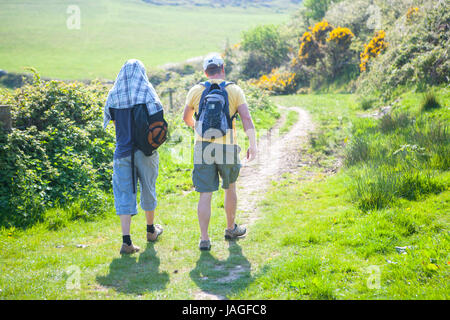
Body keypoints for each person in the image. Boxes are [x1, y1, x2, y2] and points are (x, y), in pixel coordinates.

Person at [183, 54, 257, 251]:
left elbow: (186, 118)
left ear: (205, 72)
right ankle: (230, 228)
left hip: (203, 146)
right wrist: (253, 143)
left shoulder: (196, 90)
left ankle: (205, 239)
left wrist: (197, 129)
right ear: (222, 69)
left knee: (205, 194)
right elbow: (246, 118)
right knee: (230, 187)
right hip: (228, 146)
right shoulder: (234, 90)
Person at [104, 59, 164, 255]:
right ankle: (150, 230)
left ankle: (126, 241)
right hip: (145, 152)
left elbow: (113, 122)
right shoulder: (147, 93)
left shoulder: (113, 96)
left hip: (122, 152)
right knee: (148, 188)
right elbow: (159, 122)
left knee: (124, 194)